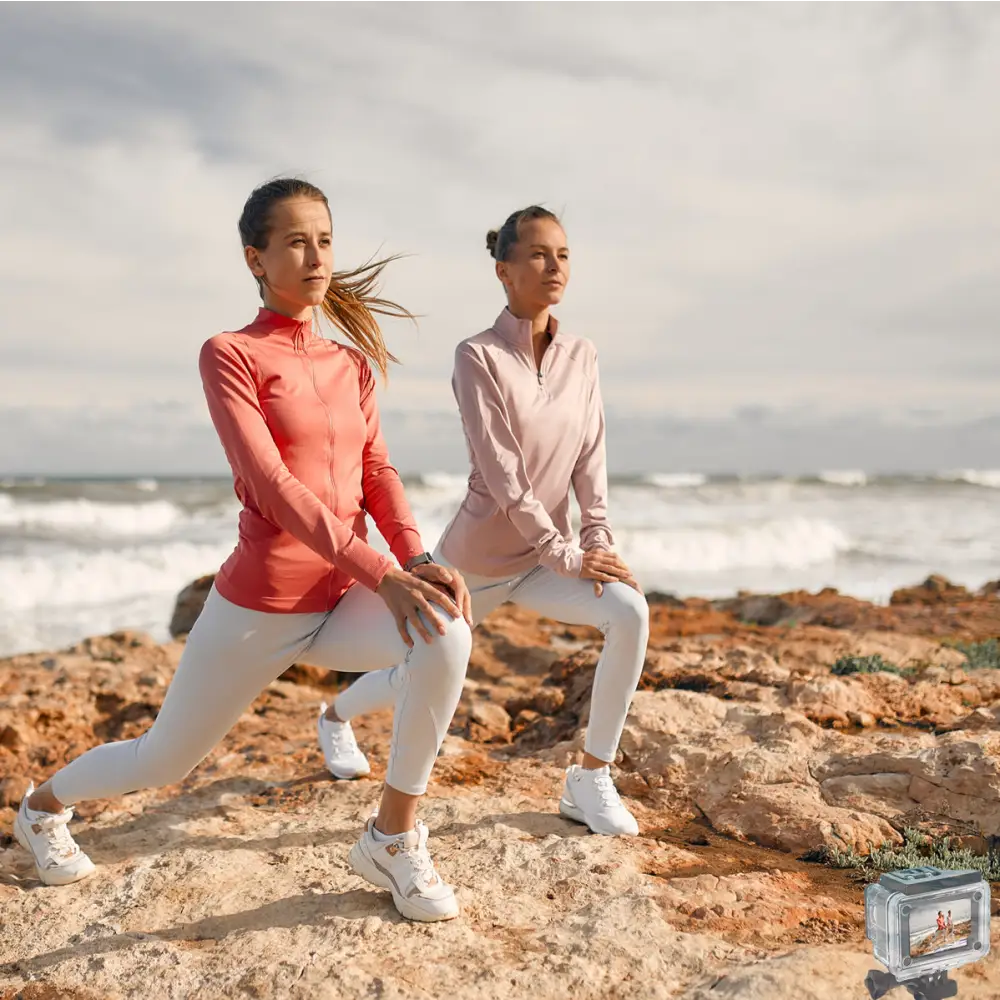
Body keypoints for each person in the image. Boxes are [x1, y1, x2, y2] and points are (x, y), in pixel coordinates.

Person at [13, 177, 475, 924]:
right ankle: (39, 808)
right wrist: (381, 572)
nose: (315, 255)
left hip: (345, 597)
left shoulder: (350, 365)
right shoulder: (228, 354)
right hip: (260, 605)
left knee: (446, 631)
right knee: (163, 760)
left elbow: (377, 472)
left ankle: (392, 837)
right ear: (255, 258)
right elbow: (271, 485)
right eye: (295, 241)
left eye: (324, 239)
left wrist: (414, 560)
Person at [316, 205, 649, 836]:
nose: (554, 267)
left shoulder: (583, 355)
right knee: (415, 666)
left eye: (564, 255)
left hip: (548, 560)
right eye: (538, 255)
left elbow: (590, 457)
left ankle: (590, 776)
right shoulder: (478, 357)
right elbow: (503, 476)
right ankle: (334, 716)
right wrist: (566, 553)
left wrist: (596, 538)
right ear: (504, 270)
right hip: (475, 563)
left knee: (630, 611)